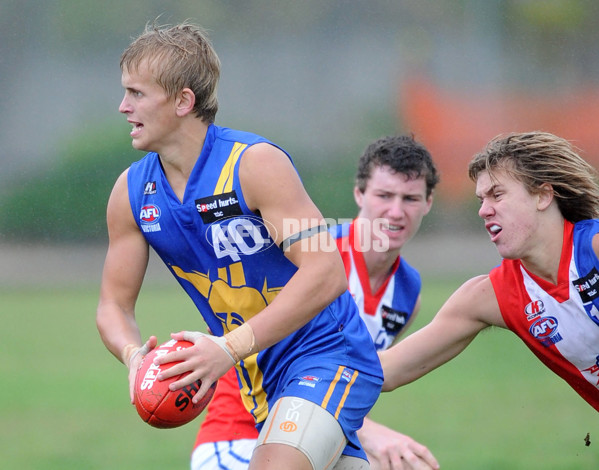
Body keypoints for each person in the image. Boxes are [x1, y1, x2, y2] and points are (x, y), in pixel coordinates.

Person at [95, 21, 384, 470]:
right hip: (262, 382)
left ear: (183, 101)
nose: (122, 106)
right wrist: (134, 357)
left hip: (329, 354)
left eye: (136, 94)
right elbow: (113, 305)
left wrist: (226, 349)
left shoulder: (253, 164)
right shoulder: (131, 193)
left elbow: (325, 274)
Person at [192, 135, 442, 470]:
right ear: (359, 194)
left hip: (319, 433)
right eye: (384, 195)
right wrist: (372, 433)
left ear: (428, 203)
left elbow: (354, 376)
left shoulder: (408, 291)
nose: (396, 211)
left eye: (410, 198)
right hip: (242, 435)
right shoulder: (313, 257)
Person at [380, 131, 599, 415]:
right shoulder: (493, 295)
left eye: (497, 194)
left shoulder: (593, 247)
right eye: (482, 199)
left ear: (543, 196)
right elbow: (387, 371)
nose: (483, 210)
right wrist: (313, 357)